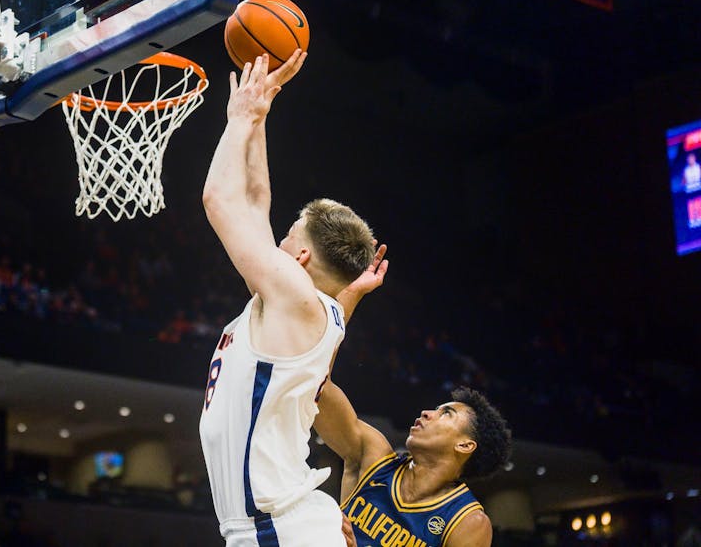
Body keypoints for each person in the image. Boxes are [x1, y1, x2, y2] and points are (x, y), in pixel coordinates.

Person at [198, 51, 388, 546]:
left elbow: (220, 200)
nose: (274, 242)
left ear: (301, 256)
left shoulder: (294, 296)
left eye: (286, 235)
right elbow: (257, 200)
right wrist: (259, 118)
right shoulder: (303, 306)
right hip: (279, 526)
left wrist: (239, 116)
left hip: (276, 528)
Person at [315, 378, 511, 547]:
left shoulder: (467, 521)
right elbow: (318, 387)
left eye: (446, 414)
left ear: (465, 445)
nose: (427, 412)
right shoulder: (373, 456)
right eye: (436, 409)